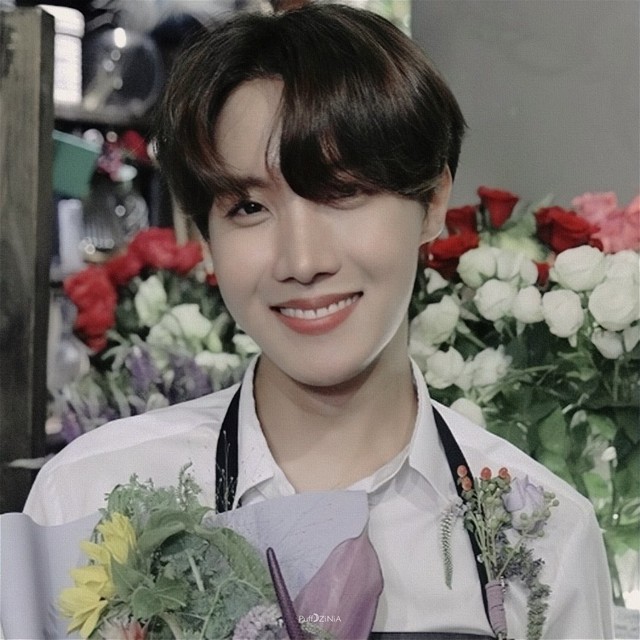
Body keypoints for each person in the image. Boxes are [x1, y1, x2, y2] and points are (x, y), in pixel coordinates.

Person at [25, 3, 613, 637]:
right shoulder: (87, 501)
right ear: (205, 234)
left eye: (342, 192)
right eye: (249, 207)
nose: (302, 262)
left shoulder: (545, 534)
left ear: (432, 202)